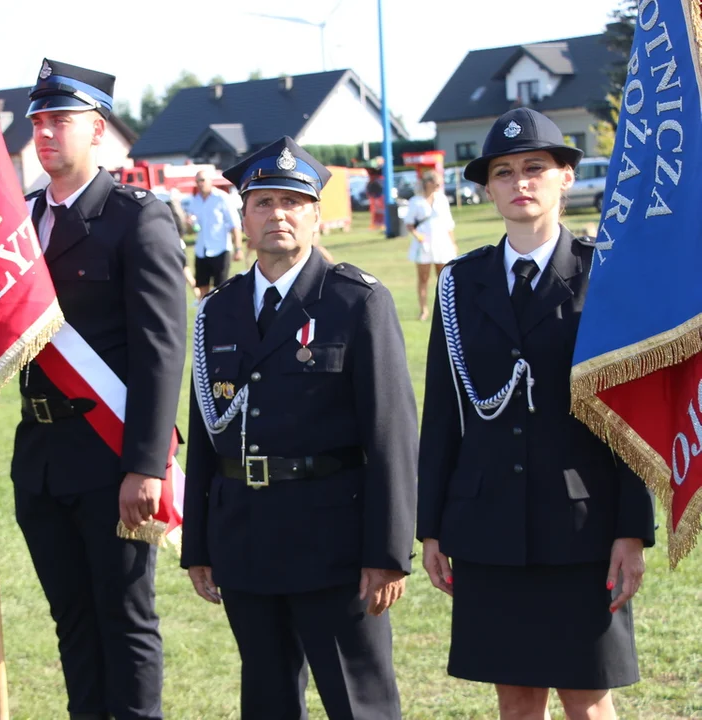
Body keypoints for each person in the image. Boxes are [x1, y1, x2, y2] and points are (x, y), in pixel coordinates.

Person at [417, 108, 654, 720]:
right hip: (488, 523)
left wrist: (632, 528)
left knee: (586, 695)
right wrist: (431, 526)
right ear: (488, 187)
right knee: (516, 696)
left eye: (535, 168)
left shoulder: (606, 274)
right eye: (504, 172)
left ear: (565, 177)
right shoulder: (458, 284)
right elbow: (442, 415)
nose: (520, 182)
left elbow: (630, 415)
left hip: (584, 526)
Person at [181, 136, 418, 719]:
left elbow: (392, 434)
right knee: (266, 701)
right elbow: (207, 429)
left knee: (357, 703)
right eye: (263, 203)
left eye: (292, 202)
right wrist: (198, 545)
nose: (278, 215)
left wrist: (388, 551)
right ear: (244, 217)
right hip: (244, 537)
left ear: (316, 215)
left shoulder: (355, 302)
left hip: (333, 541)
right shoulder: (218, 310)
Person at [16, 59, 186, 720]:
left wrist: (146, 464)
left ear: (98, 129)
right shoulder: (21, 224)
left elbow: (160, 349)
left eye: (61, 119)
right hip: (40, 458)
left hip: (110, 453)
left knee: (125, 618)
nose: (46, 132)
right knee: (73, 624)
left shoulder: (135, 218)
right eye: (38, 120)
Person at [406, 170, 458, 320]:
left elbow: (449, 223)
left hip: (441, 242)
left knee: (444, 278)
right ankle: (424, 310)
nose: (439, 185)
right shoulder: (416, 201)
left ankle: (446, 310)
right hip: (424, 243)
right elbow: (409, 224)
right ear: (428, 183)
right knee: (423, 278)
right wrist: (418, 236)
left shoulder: (442, 199)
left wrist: (453, 243)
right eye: (436, 182)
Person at [186, 168, 243, 299]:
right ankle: (204, 315)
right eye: (197, 181)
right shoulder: (195, 201)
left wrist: (238, 248)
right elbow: (191, 230)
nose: (200, 183)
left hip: (220, 248)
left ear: (210, 181)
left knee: (221, 289)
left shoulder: (222, 198)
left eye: (202, 180)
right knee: (202, 288)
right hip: (202, 250)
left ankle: (220, 316)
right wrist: (189, 224)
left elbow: (235, 225)